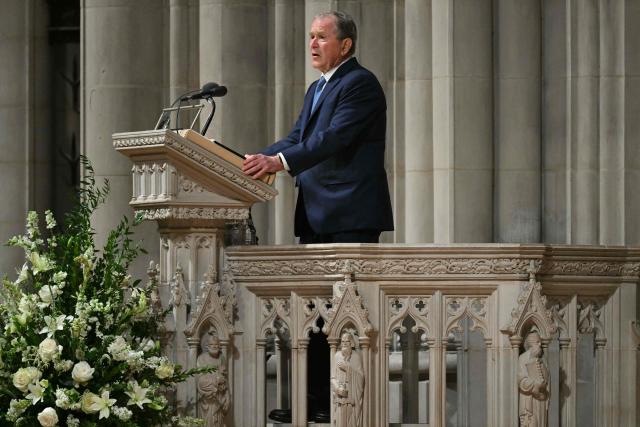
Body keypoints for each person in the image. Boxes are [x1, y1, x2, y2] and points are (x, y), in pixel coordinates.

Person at [242, 11, 393, 244]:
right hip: (316, 213)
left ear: (345, 46)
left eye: (321, 37)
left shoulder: (360, 82)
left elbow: (334, 137)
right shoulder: (316, 88)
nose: (312, 44)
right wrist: (255, 160)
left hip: (349, 214)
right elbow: (296, 139)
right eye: (311, 36)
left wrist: (277, 162)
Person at [331, 332, 364, 427]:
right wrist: (338, 389)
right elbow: (333, 377)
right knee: (340, 421)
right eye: (342, 341)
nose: (344, 343)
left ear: (351, 343)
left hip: (351, 395)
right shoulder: (337, 356)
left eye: (347, 341)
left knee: (350, 421)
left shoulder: (356, 357)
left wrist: (347, 368)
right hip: (340, 396)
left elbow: (361, 377)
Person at [197, 332, 230, 427]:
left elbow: (225, 378)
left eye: (216, 344)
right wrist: (216, 380)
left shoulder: (221, 358)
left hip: (220, 398)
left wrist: (228, 396)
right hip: (208, 399)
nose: (214, 346)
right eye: (212, 344)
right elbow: (200, 380)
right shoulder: (202, 358)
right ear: (207, 346)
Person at [518, 331, 550, 427]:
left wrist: (544, 383)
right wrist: (535, 384)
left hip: (541, 398)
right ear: (531, 343)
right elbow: (521, 380)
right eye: (537, 342)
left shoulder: (543, 360)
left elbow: (547, 375)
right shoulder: (523, 358)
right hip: (529, 399)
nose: (540, 344)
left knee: (542, 423)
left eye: (540, 342)